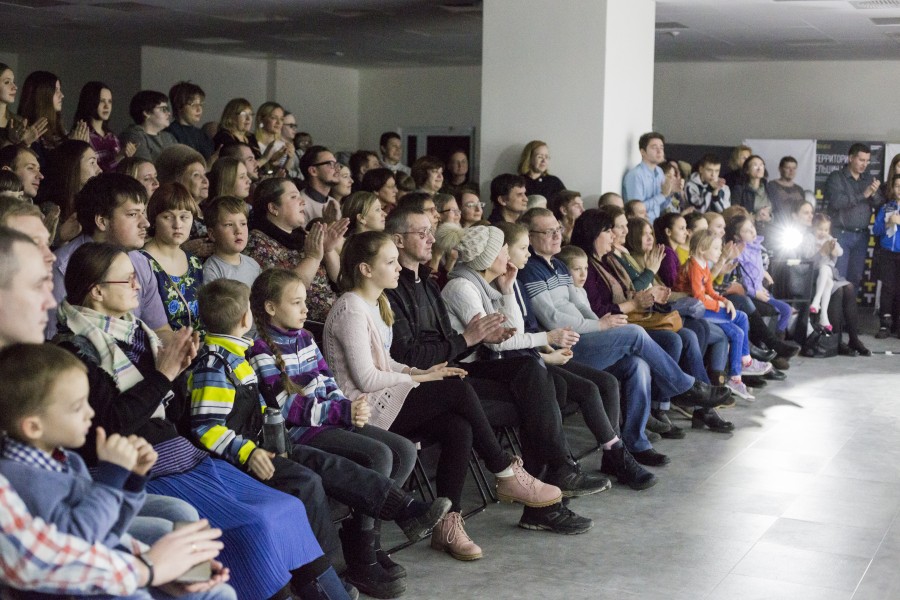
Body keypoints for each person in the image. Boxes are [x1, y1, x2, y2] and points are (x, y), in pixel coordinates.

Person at [54, 242, 347, 600]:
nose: (137, 285)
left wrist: (179, 373)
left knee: (287, 508)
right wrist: (164, 375)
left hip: (182, 454)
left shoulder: (137, 334)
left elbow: (172, 415)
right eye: (127, 279)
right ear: (97, 291)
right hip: (142, 471)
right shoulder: (74, 351)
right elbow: (110, 426)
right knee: (254, 525)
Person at [325, 230, 572, 561]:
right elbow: (366, 379)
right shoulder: (350, 309)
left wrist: (420, 372)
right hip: (363, 411)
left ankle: (448, 525)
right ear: (366, 269)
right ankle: (504, 470)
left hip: (386, 397)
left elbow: (386, 363)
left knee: (458, 425)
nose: (398, 267)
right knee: (457, 389)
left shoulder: (377, 302)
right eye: (390, 262)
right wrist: (421, 377)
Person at [195, 278, 448, 599]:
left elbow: (323, 384)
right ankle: (346, 566)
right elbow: (218, 424)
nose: (306, 309)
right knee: (336, 471)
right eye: (297, 302)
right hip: (273, 444)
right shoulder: (228, 359)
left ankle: (395, 520)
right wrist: (250, 450)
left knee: (399, 452)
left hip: (284, 438)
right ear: (251, 315)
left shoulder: (247, 352)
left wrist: (346, 409)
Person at [0, 342, 235, 600]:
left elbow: (109, 527)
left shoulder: (68, 460)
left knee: (218, 593)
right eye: (77, 407)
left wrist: (133, 481)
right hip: (76, 585)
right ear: (34, 427)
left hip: (109, 564)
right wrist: (111, 479)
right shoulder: (21, 480)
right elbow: (79, 541)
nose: (90, 413)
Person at [516, 208, 731, 463]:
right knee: (635, 334)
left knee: (638, 365)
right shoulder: (530, 270)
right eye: (548, 232)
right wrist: (601, 326)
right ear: (530, 236)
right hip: (564, 348)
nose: (556, 235)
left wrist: (604, 325)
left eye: (557, 230)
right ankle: (686, 387)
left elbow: (581, 305)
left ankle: (634, 444)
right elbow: (552, 318)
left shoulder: (559, 265)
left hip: (586, 334)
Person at [436, 223, 611, 495]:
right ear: (488, 258)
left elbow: (511, 331)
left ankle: (544, 477)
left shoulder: (485, 285)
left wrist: (507, 289)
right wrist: (546, 337)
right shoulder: (461, 287)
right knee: (533, 380)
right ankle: (557, 470)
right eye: (503, 249)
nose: (508, 255)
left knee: (551, 385)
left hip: (484, 363)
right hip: (466, 369)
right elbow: (496, 341)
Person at [499, 224, 658, 485]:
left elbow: (533, 327)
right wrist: (548, 348)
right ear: (503, 251)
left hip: (543, 349)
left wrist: (546, 346)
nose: (527, 254)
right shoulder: (519, 278)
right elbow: (509, 338)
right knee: (631, 338)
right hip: (527, 360)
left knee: (618, 376)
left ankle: (616, 452)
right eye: (523, 248)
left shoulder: (517, 278)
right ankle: (574, 464)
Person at [571, 208, 733, 436]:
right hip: (610, 327)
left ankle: (672, 404)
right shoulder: (587, 265)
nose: (616, 234)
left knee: (686, 333)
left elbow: (630, 290)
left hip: (632, 318)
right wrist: (639, 295)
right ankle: (688, 391)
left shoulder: (608, 260)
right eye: (610, 230)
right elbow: (597, 310)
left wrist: (647, 296)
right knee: (671, 337)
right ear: (593, 233)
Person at [48, 173, 171, 341]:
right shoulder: (62, 267)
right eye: (133, 214)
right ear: (102, 221)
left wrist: (180, 347)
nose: (146, 223)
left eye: (143, 213)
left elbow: (160, 330)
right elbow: (54, 342)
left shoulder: (140, 261)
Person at [675, 230, 771, 400]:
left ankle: (735, 378)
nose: (720, 252)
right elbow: (698, 297)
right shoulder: (694, 267)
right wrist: (718, 304)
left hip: (702, 307)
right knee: (741, 317)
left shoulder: (703, 264)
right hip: (692, 311)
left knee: (738, 333)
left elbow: (710, 291)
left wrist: (725, 301)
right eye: (716, 248)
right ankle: (746, 361)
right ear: (702, 249)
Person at [245, 177, 348, 323]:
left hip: (338, 314)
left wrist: (328, 250)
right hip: (309, 327)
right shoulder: (257, 244)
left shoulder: (303, 235)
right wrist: (312, 258)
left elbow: (341, 280)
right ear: (273, 208)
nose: (303, 201)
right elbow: (287, 292)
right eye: (293, 197)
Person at [776, 199, 869, 356]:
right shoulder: (795, 235)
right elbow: (799, 266)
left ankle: (853, 339)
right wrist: (822, 253)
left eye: (812, 212)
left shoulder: (822, 234)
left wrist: (832, 252)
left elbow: (832, 259)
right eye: (806, 213)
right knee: (838, 290)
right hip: (804, 279)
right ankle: (836, 341)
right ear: (794, 215)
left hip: (823, 273)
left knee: (848, 287)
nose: (810, 216)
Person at [139, 183, 204, 333]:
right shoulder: (143, 261)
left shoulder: (194, 262)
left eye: (184, 217)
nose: (177, 224)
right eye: (167, 217)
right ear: (154, 220)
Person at [727, 213, 793, 342]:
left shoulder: (755, 246)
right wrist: (755, 292)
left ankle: (774, 341)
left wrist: (763, 274)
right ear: (737, 236)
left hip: (760, 289)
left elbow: (755, 267)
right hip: (752, 293)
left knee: (781, 311)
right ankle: (777, 341)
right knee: (785, 309)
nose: (752, 231)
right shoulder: (740, 252)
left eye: (752, 227)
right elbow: (742, 276)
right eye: (747, 231)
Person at [824, 142, 881, 288]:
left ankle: (851, 304)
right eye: (861, 160)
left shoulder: (868, 179)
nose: (864, 164)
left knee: (856, 277)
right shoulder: (836, 177)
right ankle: (835, 304)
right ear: (850, 158)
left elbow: (879, 204)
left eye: (867, 161)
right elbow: (837, 202)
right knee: (839, 276)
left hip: (862, 236)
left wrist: (874, 194)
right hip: (841, 234)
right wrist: (864, 194)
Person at [40, 139, 103, 244]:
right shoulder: (49, 209)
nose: (99, 170)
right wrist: (60, 237)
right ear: (73, 166)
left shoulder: (95, 204)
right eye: (92, 163)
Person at [74, 81, 136, 173]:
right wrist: (119, 156)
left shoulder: (112, 137)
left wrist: (127, 157)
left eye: (109, 101)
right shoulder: (82, 135)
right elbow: (95, 173)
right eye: (101, 101)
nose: (107, 106)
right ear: (90, 102)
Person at [202, 195, 261, 288]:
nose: (238, 230)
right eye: (229, 224)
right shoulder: (211, 270)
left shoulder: (253, 265)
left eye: (243, 224)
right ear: (212, 234)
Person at [622, 132, 675, 222]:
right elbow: (637, 210)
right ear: (643, 152)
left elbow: (660, 206)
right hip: (640, 224)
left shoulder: (659, 171)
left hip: (655, 222)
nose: (659, 151)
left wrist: (670, 192)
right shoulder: (636, 175)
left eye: (661, 148)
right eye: (654, 147)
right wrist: (663, 195)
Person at [120, 90, 177, 163]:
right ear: (147, 112)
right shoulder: (133, 135)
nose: (168, 113)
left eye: (167, 109)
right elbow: (146, 166)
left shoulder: (169, 137)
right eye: (163, 109)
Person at [0, 63, 46, 149]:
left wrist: (26, 143)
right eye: (7, 82)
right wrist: (11, 141)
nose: (15, 87)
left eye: (13, 82)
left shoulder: (18, 122)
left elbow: (20, 156)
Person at [165, 81, 214, 162]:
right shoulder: (170, 133)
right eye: (194, 105)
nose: (199, 109)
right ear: (179, 106)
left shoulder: (202, 135)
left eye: (201, 104)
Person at [810, 213, 840, 334]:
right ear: (813, 227)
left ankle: (816, 301)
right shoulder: (809, 238)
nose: (823, 232)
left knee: (825, 269)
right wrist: (821, 252)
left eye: (826, 230)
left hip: (829, 270)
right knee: (828, 282)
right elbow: (808, 259)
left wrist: (833, 249)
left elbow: (839, 254)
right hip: (815, 271)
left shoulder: (829, 239)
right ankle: (824, 317)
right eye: (820, 229)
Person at [299, 145, 341, 223]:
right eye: (330, 164)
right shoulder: (301, 204)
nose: (337, 169)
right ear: (313, 171)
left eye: (336, 164)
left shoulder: (333, 202)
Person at [731, 155, 772, 219]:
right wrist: (754, 217)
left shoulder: (770, 188)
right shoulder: (739, 189)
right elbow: (734, 213)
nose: (759, 168)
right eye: (755, 165)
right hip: (748, 224)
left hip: (770, 224)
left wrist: (769, 218)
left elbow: (778, 211)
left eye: (761, 165)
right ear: (747, 170)